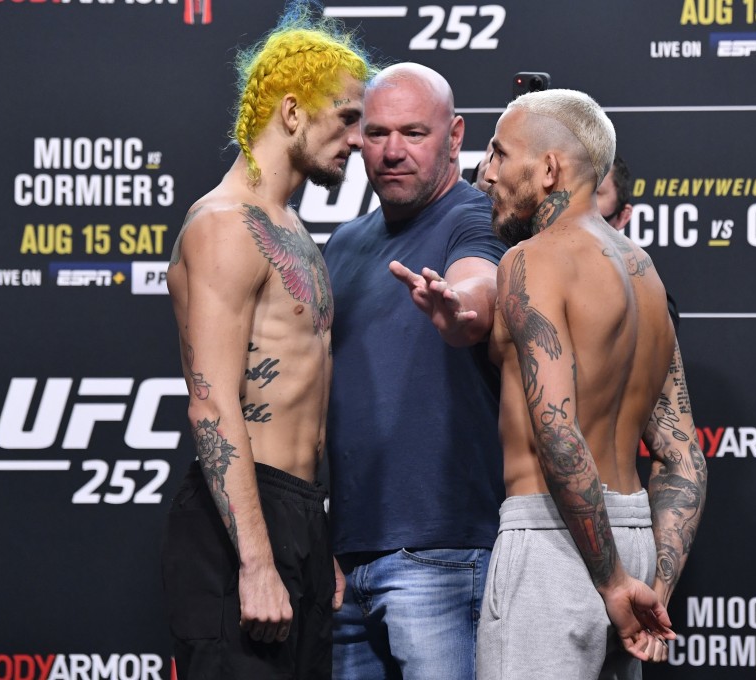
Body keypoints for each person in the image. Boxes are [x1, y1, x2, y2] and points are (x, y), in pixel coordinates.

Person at [159, 6, 373, 678]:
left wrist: (314, 542)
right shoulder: (223, 226)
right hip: (240, 530)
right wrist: (256, 560)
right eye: (346, 116)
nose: (359, 139)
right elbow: (213, 405)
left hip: (299, 519)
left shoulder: (292, 229)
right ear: (290, 111)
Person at [478, 89, 707, 679]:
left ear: (549, 169)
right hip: (634, 540)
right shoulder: (645, 273)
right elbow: (684, 457)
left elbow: (557, 432)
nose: (487, 174)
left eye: (501, 154)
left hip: (555, 539)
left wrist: (609, 583)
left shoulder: (532, 261)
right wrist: (652, 585)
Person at [322, 62, 507, 679]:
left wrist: (463, 311)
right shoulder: (343, 245)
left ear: (455, 136)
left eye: (414, 133)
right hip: (349, 562)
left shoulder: (475, 216)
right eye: (376, 134)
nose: (392, 151)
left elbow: (477, 282)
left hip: (443, 557)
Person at [597, 154, 680, 332]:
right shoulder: (533, 269)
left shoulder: (652, 302)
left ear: (622, 216)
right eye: (574, 191)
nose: (581, 204)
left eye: (596, 192)